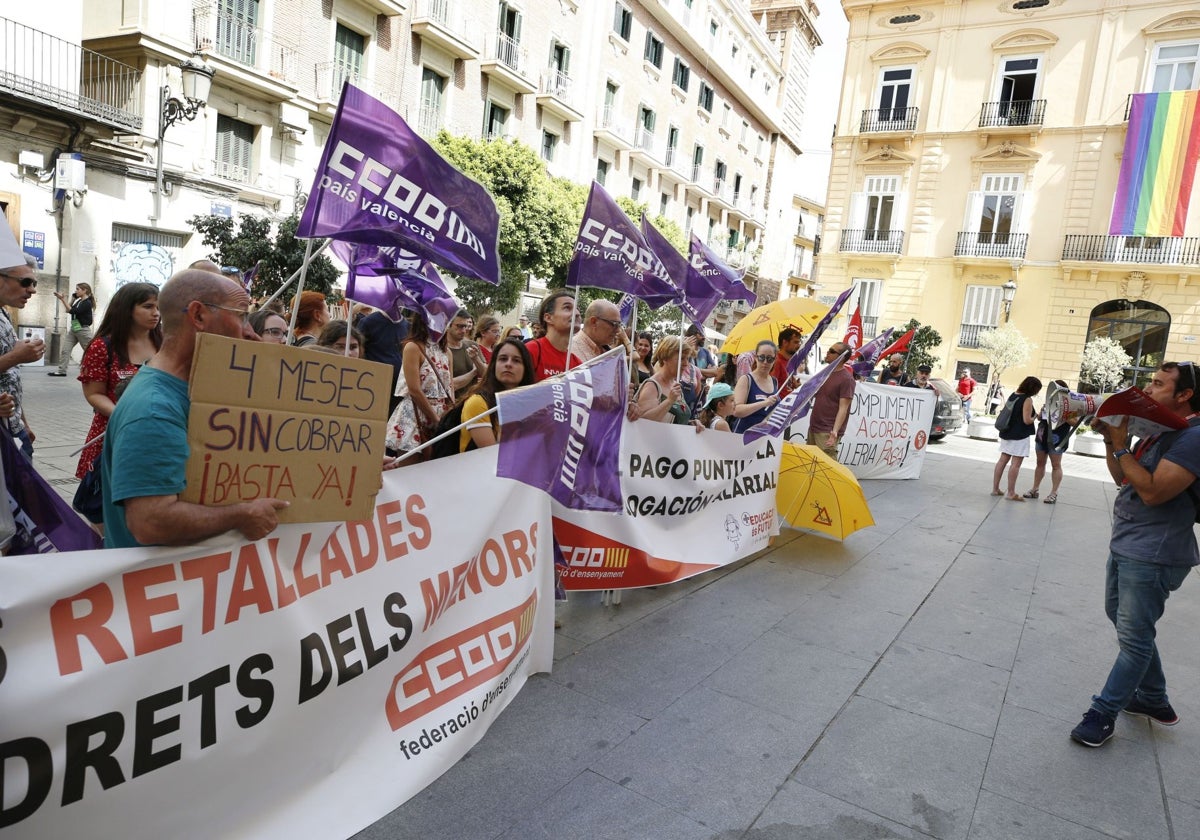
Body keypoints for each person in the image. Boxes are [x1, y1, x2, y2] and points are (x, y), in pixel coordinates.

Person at [100, 269, 287, 548]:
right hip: (160, 586)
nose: (251, 333)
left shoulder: (201, 387)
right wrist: (242, 515)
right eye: (241, 316)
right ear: (198, 316)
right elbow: (150, 522)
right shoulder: (153, 408)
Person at [1069, 362, 1200, 748]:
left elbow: (1154, 492)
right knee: (1125, 624)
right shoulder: (1160, 431)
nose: (1149, 388)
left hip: (1155, 554)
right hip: (1128, 543)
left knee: (1134, 638)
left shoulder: (1192, 437)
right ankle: (1154, 700)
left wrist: (1123, 442)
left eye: (1159, 384)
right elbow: (1123, 479)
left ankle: (1102, 713)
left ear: (1184, 395)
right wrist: (1113, 441)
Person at [73, 282, 162, 528]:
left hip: (156, 437)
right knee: (105, 518)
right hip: (111, 437)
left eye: (158, 306)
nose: (156, 313)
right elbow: (93, 393)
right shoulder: (103, 346)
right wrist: (123, 414)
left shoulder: (165, 343)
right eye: (148, 306)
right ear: (127, 310)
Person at [386, 312, 455, 458]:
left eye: (444, 319)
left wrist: (450, 416)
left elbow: (450, 387)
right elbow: (414, 390)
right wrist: (436, 420)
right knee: (409, 474)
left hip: (441, 413)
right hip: (415, 413)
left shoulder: (446, 351)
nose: (442, 323)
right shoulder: (413, 347)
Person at [0, 251, 44, 458]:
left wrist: (23, 422)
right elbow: (12, 362)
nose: (32, 290)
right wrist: (16, 356)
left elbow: (11, 377)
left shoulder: (4, 314)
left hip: (13, 428)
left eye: (34, 283)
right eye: (26, 282)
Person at [456, 338, 535, 451]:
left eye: (516, 360)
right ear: (494, 365)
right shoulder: (478, 402)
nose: (508, 364)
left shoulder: (528, 404)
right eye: (503, 359)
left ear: (525, 369)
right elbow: (492, 456)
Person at [1023, 379, 1080, 504]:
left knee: (1056, 465)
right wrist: (1041, 412)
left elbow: (1075, 422)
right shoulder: (1048, 401)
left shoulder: (1070, 405)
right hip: (1042, 435)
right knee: (1040, 463)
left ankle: (1054, 493)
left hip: (1058, 438)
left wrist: (1063, 414)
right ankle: (1035, 489)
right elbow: (1039, 418)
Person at [991, 375, 1042, 501]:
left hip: (1007, 432)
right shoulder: (1027, 399)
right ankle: (1011, 493)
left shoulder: (1014, 394)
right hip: (1020, 435)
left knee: (1002, 460)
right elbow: (1027, 420)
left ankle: (995, 489)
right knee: (1015, 464)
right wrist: (1036, 416)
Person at [807, 342, 855, 458]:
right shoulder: (825, 373)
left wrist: (835, 431)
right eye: (829, 349)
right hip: (814, 427)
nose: (828, 352)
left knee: (826, 468)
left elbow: (843, 408)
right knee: (810, 465)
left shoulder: (846, 379)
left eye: (832, 351)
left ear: (842, 357)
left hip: (827, 431)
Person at [358, 308, 410, 414]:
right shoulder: (368, 322)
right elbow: (359, 352)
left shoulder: (407, 325)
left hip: (399, 389)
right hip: (374, 387)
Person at [635, 336, 691, 424]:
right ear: (665, 358)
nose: (686, 364)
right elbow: (643, 421)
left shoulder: (675, 384)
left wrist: (691, 423)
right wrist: (669, 401)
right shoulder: (652, 385)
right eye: (682, 358)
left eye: (687, 359)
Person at [525, 290, 579, 381]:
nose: (577, 313)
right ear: (548, 318)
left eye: (577, 309)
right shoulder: (531, 351)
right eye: (567, 308)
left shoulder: (577, 364)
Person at [731, 340, 781, 434]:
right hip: (743, 435)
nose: (765, 362)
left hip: (764, 436)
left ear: (774, 360)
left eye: (769, 359)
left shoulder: (774, 381)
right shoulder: (746, 380)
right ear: (756, 358)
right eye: (762, 357)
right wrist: (764, 403)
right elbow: (737, 411)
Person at [49, 282, 95, 376]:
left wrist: (62, 299)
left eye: (78, 289)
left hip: (83, 330)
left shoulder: (87, 303)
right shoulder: (79, 301)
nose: (76, 291)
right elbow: (68, 309)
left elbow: (72, 311)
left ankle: (95, 370)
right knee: (66, 350)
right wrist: (73, 299)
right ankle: (62, 371)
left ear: (84, 290)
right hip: (74, 328)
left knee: (91, 351)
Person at [570, 298, 630, 363]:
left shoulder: (609, 352)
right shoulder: (570, 353)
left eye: (619, 325)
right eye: (614, 324)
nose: (618, 330)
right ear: (594, 322)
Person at [445, 309, 486, 391]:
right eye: (459, 326)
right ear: (448, 325)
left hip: (472, 400)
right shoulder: (441, 350)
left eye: (465, 326)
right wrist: (473, 372)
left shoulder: (472, 345)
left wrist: (476, 359)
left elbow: (486, 374)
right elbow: (448, 385)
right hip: (453, 402)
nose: (464, 330)